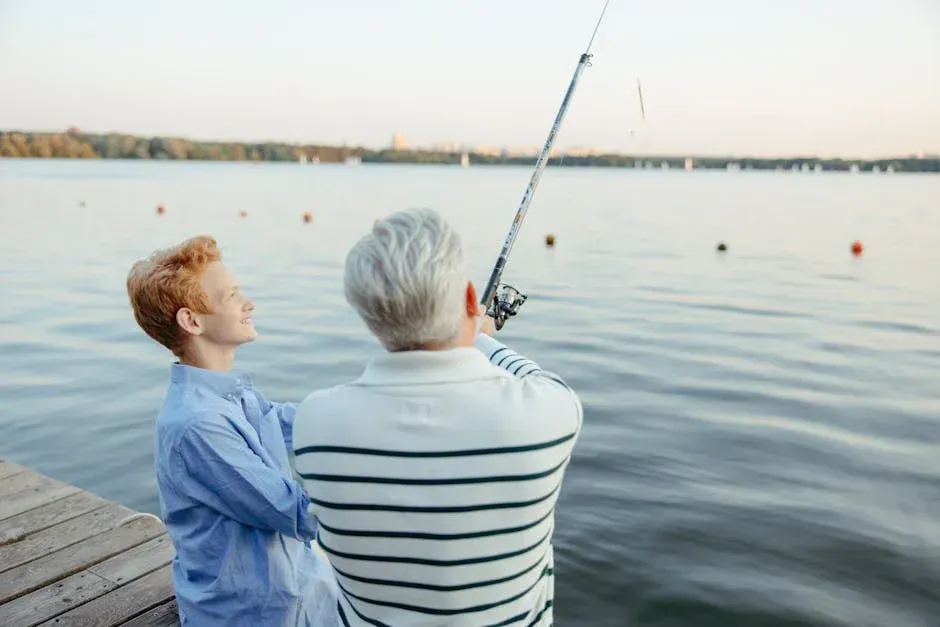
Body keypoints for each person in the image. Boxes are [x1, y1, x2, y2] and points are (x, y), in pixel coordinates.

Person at [292, 209, 583, 626]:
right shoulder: (551, 413)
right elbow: (539, 377)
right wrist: (479, 339)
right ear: (469, 298)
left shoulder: (315, 423)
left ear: (370, 318)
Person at [126, 235, 338, 626]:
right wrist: (384, 473)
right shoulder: (197, 425)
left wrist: (374, 406)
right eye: (231, 296)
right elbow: (299, 514)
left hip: (303, 590)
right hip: (255, 614)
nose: (249, 303)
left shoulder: (230, 395)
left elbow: (291, 420)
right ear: (192, 321)